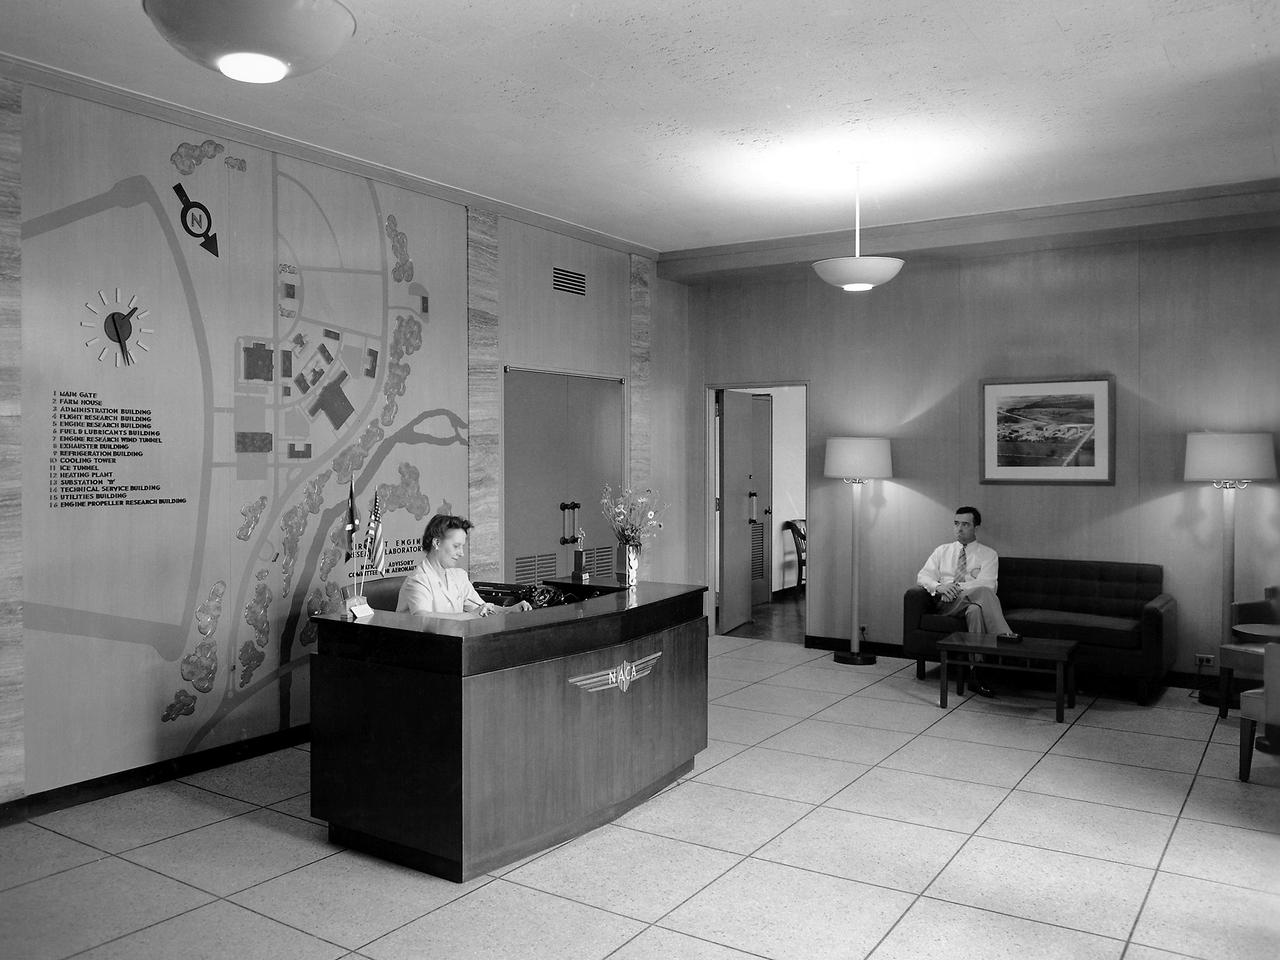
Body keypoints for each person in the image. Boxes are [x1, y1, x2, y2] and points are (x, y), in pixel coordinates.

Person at [916, 506, 1017, 697]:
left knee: (976, 610)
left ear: (976, 528)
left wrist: (956, 588)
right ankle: (1005, 639)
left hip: (969, 601)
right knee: (980, 594)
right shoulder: (942, 550)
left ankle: (976, 674)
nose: (959, 529)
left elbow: (989, 586)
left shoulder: (988, 554)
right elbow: (923, 576)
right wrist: (939, 587)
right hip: (945, 604)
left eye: (965, 524)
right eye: (956, 524)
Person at [397, 515, 532, 618]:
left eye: (462, 547)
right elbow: (422, 617)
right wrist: (470, 616)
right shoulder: (418, 580)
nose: (461, 553)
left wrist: (510, 610)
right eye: (456, 546)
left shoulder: (459, 576)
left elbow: (482, 608)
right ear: (437, 543)